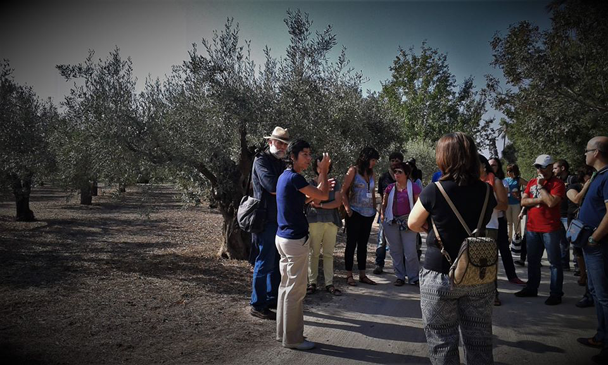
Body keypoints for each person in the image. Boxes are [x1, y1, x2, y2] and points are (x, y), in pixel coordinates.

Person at [408, 132, 497, 365]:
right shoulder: (487, 191)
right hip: (478, 274)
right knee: (479, 341)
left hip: (440, 274)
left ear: (444, 158)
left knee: (442, 341)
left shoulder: (434, 190)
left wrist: (435, 230)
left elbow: (413, 223)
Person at [275, 139, 332, 351]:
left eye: (310, 154)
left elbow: (299, 200)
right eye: (305, 154)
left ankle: (282, 333)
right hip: (294, 241)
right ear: (293, 156)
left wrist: (311, 197)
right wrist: (324, 171)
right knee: (295, 291)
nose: (309, 158)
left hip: (283, 238)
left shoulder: (286, 177)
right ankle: (293, 339)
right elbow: (324, 195)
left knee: (285, 288)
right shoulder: (296, 178)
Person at [574, 136, 608, 365]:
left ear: (596, 152)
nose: (584, 154)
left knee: (604, 296)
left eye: (587, 150)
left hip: (599, 246)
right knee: (597, 293)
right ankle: (601, 336)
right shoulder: (598, 176)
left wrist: (595, 239)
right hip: (589, 245)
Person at [515, 154, 566, 305]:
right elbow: (523, 201)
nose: (539, 170)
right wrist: (539, 199)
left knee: (554, 262)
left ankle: (556, 293)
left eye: (542, 167)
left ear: (551, 167)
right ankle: (531, 288)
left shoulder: (558, 184)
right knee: (532, 261)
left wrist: (542, 187)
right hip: (532, 228)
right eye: (537, 167)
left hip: (550, 228)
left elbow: (551, 203)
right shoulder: (531, 182)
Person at [250, 126, 289, 320]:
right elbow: (273, 187)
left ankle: (271, 299)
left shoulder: (281, 163)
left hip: (277, 219)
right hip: (265, 219)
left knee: (275, 262)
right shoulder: (261, 160)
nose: (282, 146)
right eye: (279, 142)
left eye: (285, 143)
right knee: (264, 261)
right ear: (270, 142)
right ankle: (257, 304)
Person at [481, 156, 524, 307]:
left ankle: (494, 292)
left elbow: (503, 205)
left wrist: (486, 203)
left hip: (492, 225)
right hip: (473, 227)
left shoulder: (498, 181)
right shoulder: (469, 181)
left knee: (493, 259)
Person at [342, 147, 380, 286]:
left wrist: (375, 209)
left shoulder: (372, 173)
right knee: (351, 244)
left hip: (368, 214)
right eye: (373, 160)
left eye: (375, 160)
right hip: (354, 212)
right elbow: (343, 191)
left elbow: (373, 192)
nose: (374, 163)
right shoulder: (353, 170)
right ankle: (349, 275)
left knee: (363, 245)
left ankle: (362, 274)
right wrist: (347, 209)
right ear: (365, 158)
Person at [380, 161, 422, 286]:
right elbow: (384, 205)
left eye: (400, 172)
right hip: (391, 222)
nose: (396, 174)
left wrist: (418, 222)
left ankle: (413, 277)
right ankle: (400, 276)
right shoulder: (390, 188)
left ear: (406, 174)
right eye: (395, 172)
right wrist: (382, 216)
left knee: (410, 252)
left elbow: (420, 205)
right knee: (395, 251)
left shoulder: (414, 187)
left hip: (408, 223)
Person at [306, 156, 343, 296]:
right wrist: (323, 181)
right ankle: (312, 283)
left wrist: (321, 205)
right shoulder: (310, 183)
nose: (322, 168)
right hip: (314, 220)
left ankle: (329, 283)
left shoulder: (335, 183)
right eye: (320, 166)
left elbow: (337, 202)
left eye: (326, 166)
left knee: (328, 253)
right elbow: (314, 198)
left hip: (331, 221)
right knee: (313, 253)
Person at [567, 165, 596, 308]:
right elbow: (576, 199)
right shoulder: (574, 187)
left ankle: (590, 292)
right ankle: (586, 288)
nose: (591, 177)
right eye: (589, 175)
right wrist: (587, 186)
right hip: (579, 229)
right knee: (579, 253)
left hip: (594, 230)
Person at [374, 152, 404, 275]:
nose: (394, 162)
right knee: (382, 240)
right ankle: (379, 264)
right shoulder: (383, 177)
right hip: (386, 213)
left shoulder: (404, 176)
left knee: (400, 241)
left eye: (397, 160)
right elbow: (382, 197)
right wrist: (382, 212)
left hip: (402, 214)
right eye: (392, 160)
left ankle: (401, 268)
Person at [553, 159, 575, 270]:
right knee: (562, 241)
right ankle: (564, 264)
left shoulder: (572, 179)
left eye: (555, 168)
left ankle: (578, 266)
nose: (553, 170)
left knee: (574, 240)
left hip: (570, 215)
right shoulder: (556, 181)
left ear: (562, 168)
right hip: (559, 214)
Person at [504, 164, 528, 244]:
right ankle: (509, 240)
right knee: (508, 223)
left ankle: (517, 240)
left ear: (515, 171)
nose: (508, 172)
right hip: (507, 204)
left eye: (510, 171)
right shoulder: (505, 180)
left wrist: (522, 193)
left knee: (516, 222)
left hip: (516, 204)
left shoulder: (518, 180)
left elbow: (528, 185)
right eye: (507, 171)